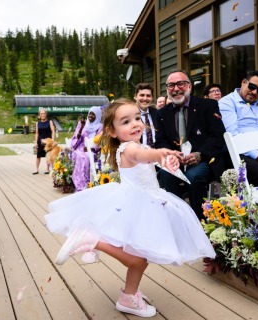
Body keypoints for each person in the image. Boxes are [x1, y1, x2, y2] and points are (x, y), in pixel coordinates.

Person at [45, 98, 215, 317]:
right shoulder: (129, 148)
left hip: (143, 206)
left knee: (140, 259)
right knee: (136, 259)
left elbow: (148, 160)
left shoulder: (136, 145)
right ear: (112, 131)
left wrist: (165, 161)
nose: (134, 124)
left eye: (137, 118)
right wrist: (160, 154)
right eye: (125, 122)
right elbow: (143, 156)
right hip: (137, 206)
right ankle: (92, 240)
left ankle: (129, 294)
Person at [155, 70, 228, 220]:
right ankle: (177, 219)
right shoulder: (162, 114)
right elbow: (160, 140)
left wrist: (200, 154)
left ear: (189, 86)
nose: (176, 89)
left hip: (203, 159)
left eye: (180, 84)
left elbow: (218, 135)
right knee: (165, 173)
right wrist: (172, 155)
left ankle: (199, 221)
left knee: (193, 177)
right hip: (176, 160)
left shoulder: (208, 106)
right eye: (171, 85)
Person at [71, 106, 103, 191]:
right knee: (80, 156)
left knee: (87, 156)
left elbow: (99, 141)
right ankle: (80, 185)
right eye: (90, 113)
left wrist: (92, 148)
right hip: (81, 148)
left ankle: (87, 183)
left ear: (98, 116)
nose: (91, 116)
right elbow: (75, 138)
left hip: (93, 151)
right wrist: (81, 129)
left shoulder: (100, 127)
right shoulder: (83, 124)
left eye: (93, 114)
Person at [134, 83, 157, 148]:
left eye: (148, 96)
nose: (145, 98)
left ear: (152, 98)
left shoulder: (156, 113)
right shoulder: (130, 114)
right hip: (137, 154)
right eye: (142, 95)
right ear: (135, 96)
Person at [34, 108, 55, 174]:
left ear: (46, 115)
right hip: (40, 140)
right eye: (41, 114)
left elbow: (53, 131)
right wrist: (35, 142)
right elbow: (37, 133)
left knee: (48, 155)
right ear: (39, 115)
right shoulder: (37, 123)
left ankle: (47, 169)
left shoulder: (50, 122)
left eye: (44, 114)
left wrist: (53, 140)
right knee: (38, 155)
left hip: (48, 141)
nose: (43, 115)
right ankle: (36, 169)